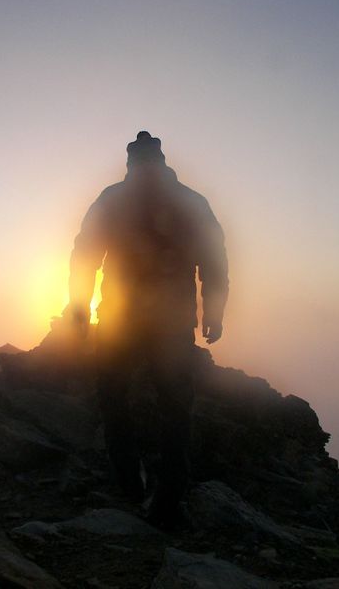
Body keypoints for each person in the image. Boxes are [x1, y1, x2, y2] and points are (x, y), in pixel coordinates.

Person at [67, 131, 229, 526]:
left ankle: (129, 481)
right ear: (160, 160)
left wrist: (80, 308)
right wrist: (214, 311)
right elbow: (214, 261)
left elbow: (85, 255)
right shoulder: (190, 201)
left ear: (131, 163)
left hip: (120, 318)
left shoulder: (113, 199)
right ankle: (169, 496)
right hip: (171, 320)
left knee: (113, 395)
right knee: (175, 405)